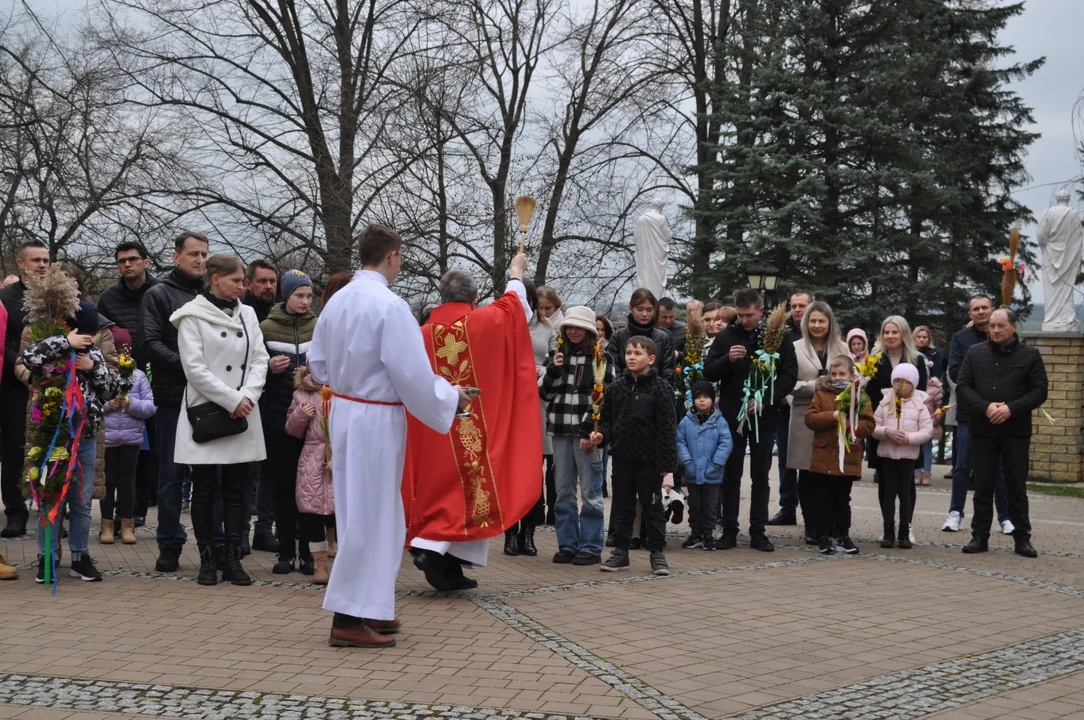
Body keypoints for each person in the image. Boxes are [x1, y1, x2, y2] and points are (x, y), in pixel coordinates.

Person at [309, 225, 470, 649]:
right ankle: (346, 617)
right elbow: (411, 375)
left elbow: (318, 365)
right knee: (371, 515)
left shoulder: (338, 299)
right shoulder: (389, 305)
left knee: (369, 513)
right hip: (375, 419)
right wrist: (451, 397)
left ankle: (371, 608)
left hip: (346, 411)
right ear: (393, 257)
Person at [403, 256, 540, 591]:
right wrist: (516, 273)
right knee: (466, 493)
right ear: (474, 299)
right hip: (474, 427)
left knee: (438, 491)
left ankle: (449, 569)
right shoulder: (486, 321)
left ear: (441, 299)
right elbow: (515, 307)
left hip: (431, 432)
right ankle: (429, 548)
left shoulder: (417, 335)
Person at [172, 254, 269, 586]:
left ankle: (232, 559)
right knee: (203, 490)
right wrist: (231, 399)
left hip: (242, 410)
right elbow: (194, 369)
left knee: (236, 491)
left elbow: (260, 358)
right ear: (215, 278)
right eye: (236, 281)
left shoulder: (248, 313)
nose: (242, 287)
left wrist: (248, 397)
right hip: (206, 412)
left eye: (244, 281)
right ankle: (207, 559)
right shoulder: (191, 316)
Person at [20, 298, 121, 582]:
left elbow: (110, 390)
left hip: (85, 437)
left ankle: (80, 556)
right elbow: (29, 358)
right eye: (84, 334)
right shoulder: (53, 349)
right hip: (53, 437)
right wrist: (65, 343)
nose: (88, 339)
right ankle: (46, 557)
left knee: (81, 501)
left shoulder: (94, 355)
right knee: (50, 499)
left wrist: (92, 367)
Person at [703, 288, 798, 551]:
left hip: (765, 416)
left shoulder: (778, 336)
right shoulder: (726, 336)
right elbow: (708, 372)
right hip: (733, 417)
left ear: (760, 311)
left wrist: (767, 398)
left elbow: (790, 374)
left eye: (749, 315)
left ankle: (758, 530)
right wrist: (727, 359)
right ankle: (730, 530)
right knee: (730, 475)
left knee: (761, 476)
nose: (744, 320)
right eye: (741, 315)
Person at [958, 308, 1047, 558]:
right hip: (983, 430)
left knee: (1016, 486)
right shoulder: (975, 354)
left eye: (1001, 326)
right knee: (983, 486)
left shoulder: (1030, 355)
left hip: (1015, 431)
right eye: (992, 326)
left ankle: (1022, 539)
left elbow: (1040, 390)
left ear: (1013, 327)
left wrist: (1011, 408)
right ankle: (979, 537)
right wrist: (985, 407)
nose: (995, 330)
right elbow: (963, 386)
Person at [592, 336, 677, 575]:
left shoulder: (661, 388)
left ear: (651, 359)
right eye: (628, 352)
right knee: (622, 506)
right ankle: (620, 552)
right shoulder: (617, 387)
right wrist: (602, 436)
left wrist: (666, 465)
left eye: (637, 353)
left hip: (649, 461)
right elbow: (607, 420)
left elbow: (667, 429)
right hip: (623, 457)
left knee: (652, 506)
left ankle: (657, 554)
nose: (631, 357)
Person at [541, 305, 614, 566]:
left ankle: (591, 546)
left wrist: (588, 430)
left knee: (592, 493)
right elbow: (545, 394)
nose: (573, 332)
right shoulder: (556, 355)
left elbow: (604, 398)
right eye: (569, 327)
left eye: (578, 328)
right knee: (563, 491)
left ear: (589, 331)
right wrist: (553, 370)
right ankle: (568, 544)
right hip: (559, 430)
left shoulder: (601, 358)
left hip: (588, 435)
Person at [97, 240, 161, 529]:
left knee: (151, 448)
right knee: (119, 450)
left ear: (146, 262)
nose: (127, 265)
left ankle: (141, 507)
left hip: (156, 373)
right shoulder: (109, 298)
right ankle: (115, 514)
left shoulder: (159, 292)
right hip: (118, 376)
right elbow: (100, 334)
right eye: (121, 260)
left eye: (132, 259)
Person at [258, 270, 318, 574]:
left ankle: (308, 552)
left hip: (311, 421)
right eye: (299, 295)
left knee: (308, 489)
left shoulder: (319, 327)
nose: (305, 301)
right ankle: (285, 552)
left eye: (309, 296)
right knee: (283, 488)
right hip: (278, 419)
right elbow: (252, 367)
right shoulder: (266, 327)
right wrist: (269, 367)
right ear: (286, 295)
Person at [942, 295, 1011, 535]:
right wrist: (983, 395)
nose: (981, 312)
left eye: (985, 308)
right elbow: (956, 372)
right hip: (969, 412)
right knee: (962, 466)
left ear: (993, 310)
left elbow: (1009, 371)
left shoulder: (1003, 336)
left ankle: (1004, 516)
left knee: (999, 468)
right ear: (970, 314)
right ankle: (955, 513)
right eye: (976, 309)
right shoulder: (961, 339)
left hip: (999, 412)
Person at [782, 301, 850, 542]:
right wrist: (814, 386)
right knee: (809, 476)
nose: (817, 325)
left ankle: (829, 525)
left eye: (822, 320)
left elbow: (854, 379)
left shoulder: (842, 348)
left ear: (830, 323)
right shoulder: (794, 347)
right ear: (805, 323)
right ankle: (811, 526)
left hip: (834, 419)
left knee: (830, 476)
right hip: (804, 417)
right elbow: (787, 384)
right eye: (813, 321)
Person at [0, 240, 50, 539]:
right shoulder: (5, 298)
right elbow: (3, 342)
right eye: (36, 260)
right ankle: (15, 512)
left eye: (45, 260)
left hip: (52, 385)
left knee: (50, 448)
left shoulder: (55, 295)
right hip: (14, 385)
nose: (42, 265)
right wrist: (25, 369)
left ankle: (51, 512)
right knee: (16, 450)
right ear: (21, 264)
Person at [865, 315, 929, 543]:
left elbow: (922, 396)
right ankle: (888, 527)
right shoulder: (874, 360)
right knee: (885, 480)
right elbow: (868, 392)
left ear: (904, 334)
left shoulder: (917, 360)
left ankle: (906, 526)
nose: (890, 336)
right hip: (881, 425)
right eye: (886, 332)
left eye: (895, 332)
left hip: (909, 429)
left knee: (906, 482)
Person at [804, 356, 876, 555]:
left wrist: (852, 425)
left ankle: (843, 536)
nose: (837, 378)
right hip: (824, 456)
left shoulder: (860, 396)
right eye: (833, 374)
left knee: (843, 500)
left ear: (852, 375)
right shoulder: (821, 395)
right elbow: (810, 419)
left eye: (842, 374)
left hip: (848, 459)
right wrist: (833, 416)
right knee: (823, 499)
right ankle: (824, 537)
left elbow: (869, 424)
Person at [509, 279, 554, 557]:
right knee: (511, 472)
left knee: (534, 473)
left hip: (537, 404)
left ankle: (529, 532)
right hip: (511, 403)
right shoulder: (504, 324)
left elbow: (553, 362)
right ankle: (510, 533)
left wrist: (542, 370)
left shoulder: (547, 328)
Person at [101, 327, 156, 545]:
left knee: (127, 483)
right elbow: (90, 403)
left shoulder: (139, 376)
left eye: (123, 351)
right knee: (107, 482)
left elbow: (151, 406)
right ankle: (106, 525)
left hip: (131, 438)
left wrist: (131, 404)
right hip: (107, 437)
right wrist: (108, 404)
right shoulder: (101, 374)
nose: (119, 356)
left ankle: (127, 525)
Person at [872, 363, 933, 550]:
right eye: (897, 381)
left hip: (908, 455)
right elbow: (873, 426)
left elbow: (927, 430)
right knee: (889, 493)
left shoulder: (919, 404)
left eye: (905, 382)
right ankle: (888, 530)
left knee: (905, 493)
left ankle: (904, 531)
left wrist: (909, 438)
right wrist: (886, 431)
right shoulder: (885, 402)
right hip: (888, 453)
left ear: (913, 384)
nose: (900, 386)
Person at [284, 364, 336, 584]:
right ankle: (320, 565)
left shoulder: (345, 390)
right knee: (313, 512)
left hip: (340, 455)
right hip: (312, 458)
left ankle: (342, 559)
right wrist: (300, 414)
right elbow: (292, 430)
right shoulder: (301, 393)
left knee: (340, 511)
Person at [769, 292, 812, 529]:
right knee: (786, 458)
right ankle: (787, 507)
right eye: (794, 306)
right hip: (785, 407)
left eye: (802, 305)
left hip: (810, 405)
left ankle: (810, 510)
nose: (797, 309)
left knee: (808, 461)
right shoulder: (783, 335)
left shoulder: (817, 334)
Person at [677, 381, 732, 551]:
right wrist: (686, 461)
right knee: (694, 506)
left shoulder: (720, 421)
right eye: (698, 397)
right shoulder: (686, 421)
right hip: (693, 472)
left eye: (706, 397)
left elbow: (726, 442)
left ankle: (708, 534)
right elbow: (680, 441)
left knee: (711, 506)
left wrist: (717, 463)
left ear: (713, 399)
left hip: (712, 473)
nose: (702, 401)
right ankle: (696, 534)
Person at [608, 289, 675, 385]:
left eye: (649, 310)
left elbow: (668, 372)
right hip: (624, 393)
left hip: (656, 394)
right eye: (640, 309)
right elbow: (614, 371)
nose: (644, 314)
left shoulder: (663, 338)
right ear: (631, 309)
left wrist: (660, 393)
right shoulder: (618, 336)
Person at [243, 259, 279, 323]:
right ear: (248, 284)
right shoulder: (239, 315)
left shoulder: (284, 314)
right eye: (262, 281)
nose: (269, 286)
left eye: (272, 281)